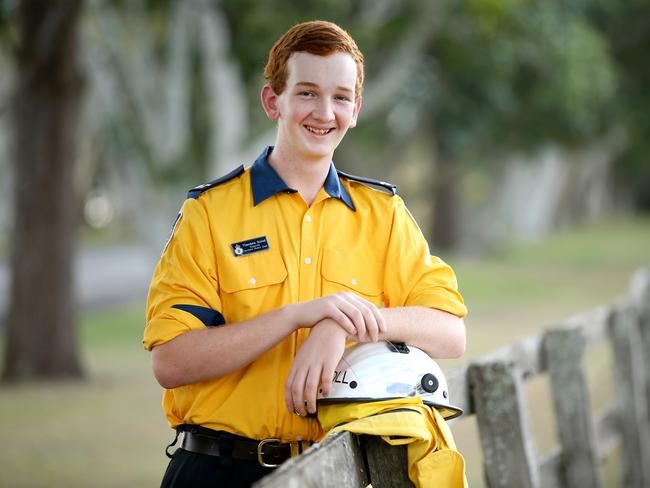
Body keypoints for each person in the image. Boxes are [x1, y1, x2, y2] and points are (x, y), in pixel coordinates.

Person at [143, 20, 467, 488]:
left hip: (335, 471)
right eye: (307, 93)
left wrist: (341, 322)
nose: (324, 111)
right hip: (218, 470)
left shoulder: (384, 215)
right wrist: (298, 316)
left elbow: (449, 332)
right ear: (273, 101)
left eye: (339, 97)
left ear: (355, 109)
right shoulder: (209, 214)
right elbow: (170, 362)